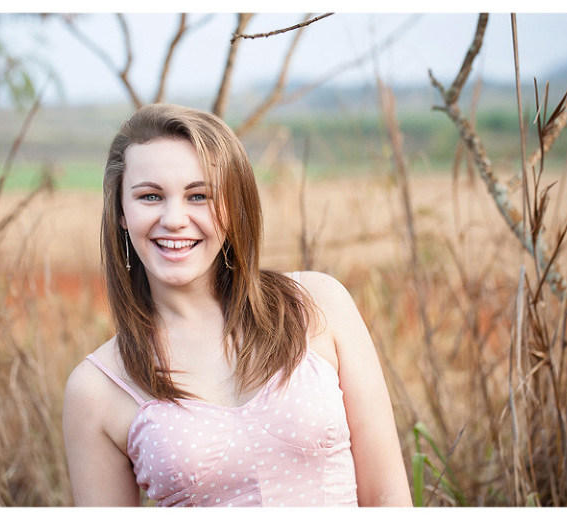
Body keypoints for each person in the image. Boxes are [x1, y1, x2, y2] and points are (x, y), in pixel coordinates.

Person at [63, 103, 412, 507]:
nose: (174, 218)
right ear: (122, 212)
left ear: (233, 206)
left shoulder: (318, 306)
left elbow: (388, 498)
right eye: (150, 196)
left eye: (199, 196)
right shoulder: (96, 389)